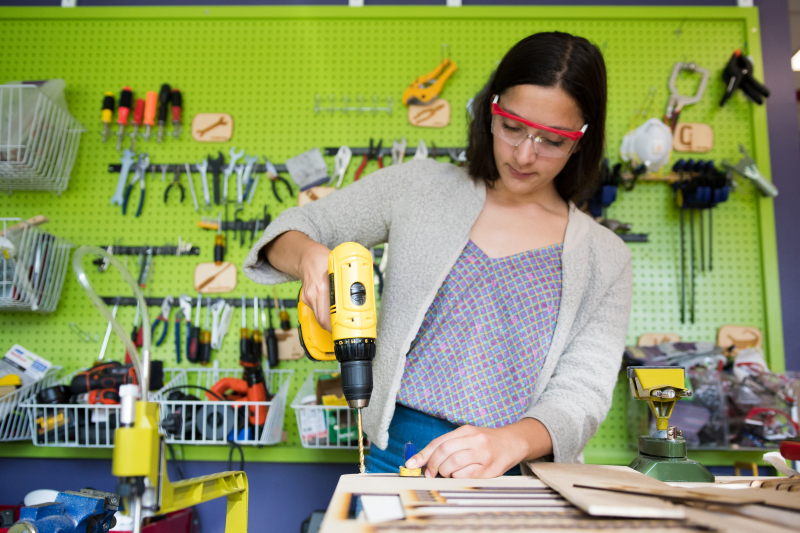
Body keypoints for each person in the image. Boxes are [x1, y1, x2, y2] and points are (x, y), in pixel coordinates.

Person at [244, 31, 632, 479]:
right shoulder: (418, 187)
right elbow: (289, 232)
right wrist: (311, 258)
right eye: (512, 127)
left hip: (517, 471)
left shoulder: (606, 256)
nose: (526, 154)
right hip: (396, 455)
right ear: (490, 110)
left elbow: (583, 395)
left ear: (581, 140)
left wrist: (508, 441)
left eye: (552, 140)